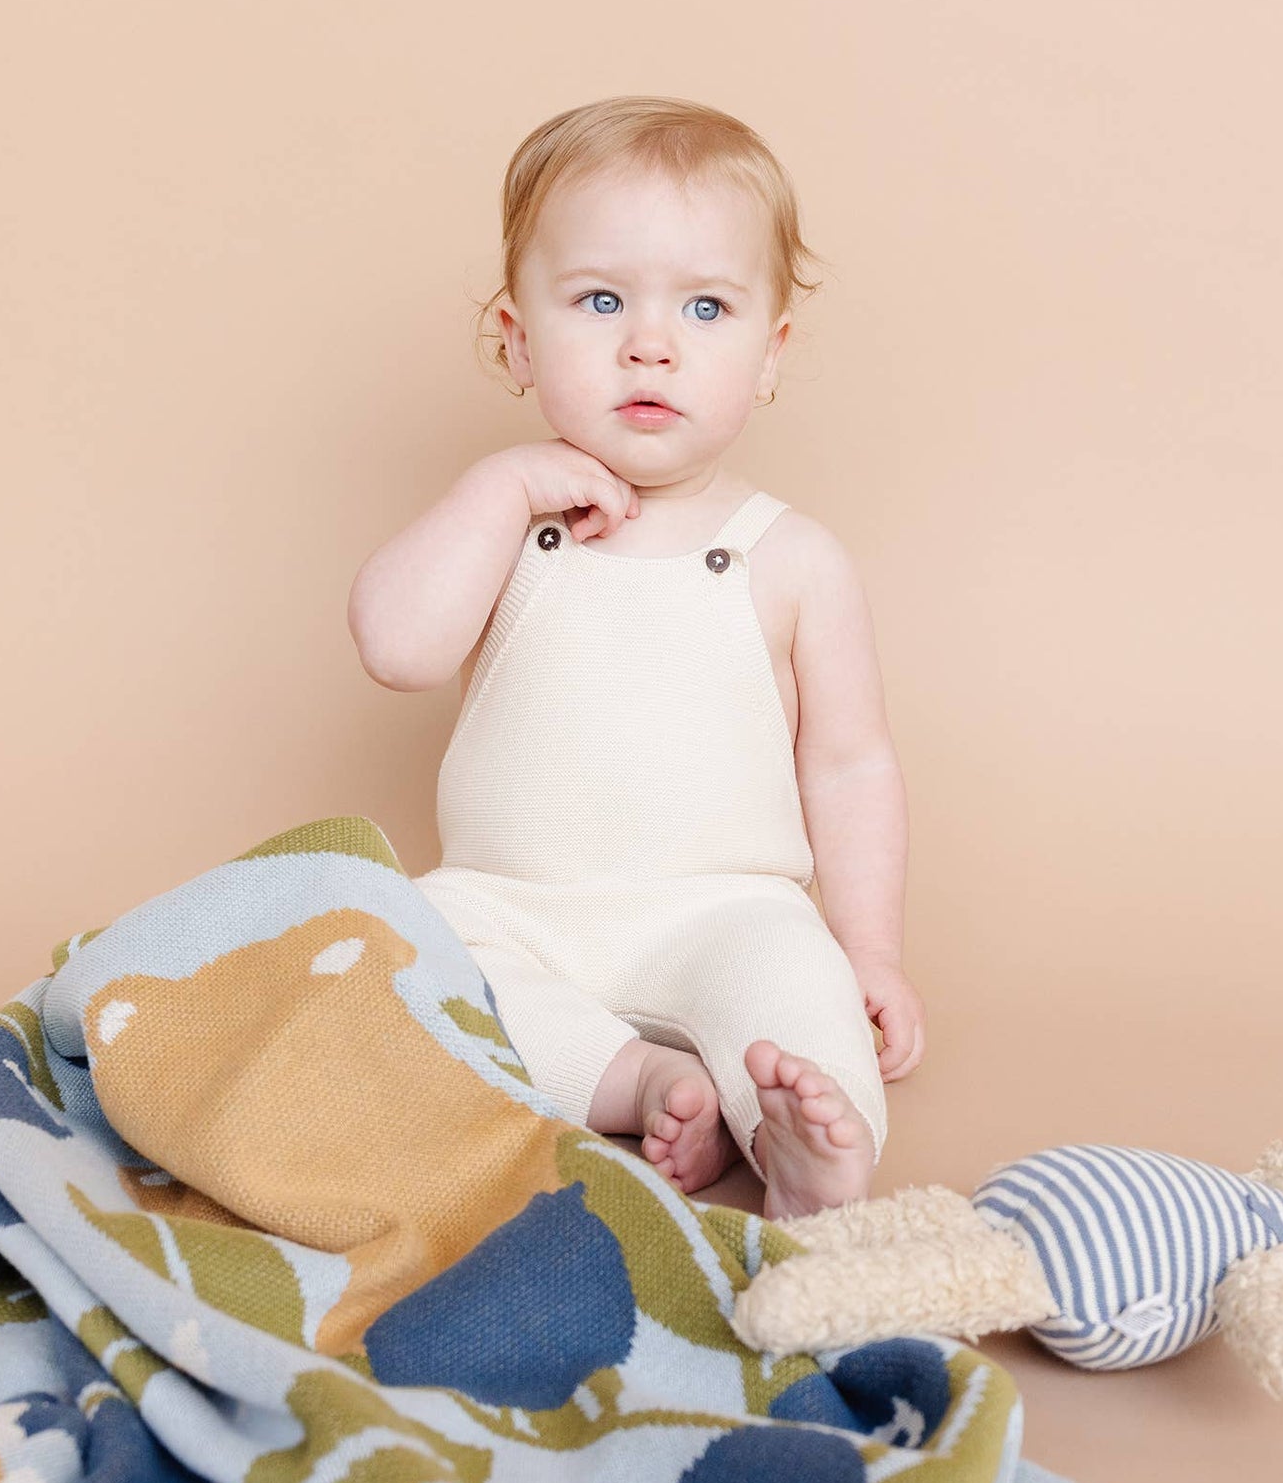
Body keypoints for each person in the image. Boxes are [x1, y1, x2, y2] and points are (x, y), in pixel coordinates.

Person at [347, 96, 925, 1219]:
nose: (648, 342)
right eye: (600, 300)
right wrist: (498, 487)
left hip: (720, 908)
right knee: (395, 966)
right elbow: (396, 647)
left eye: (705, 306)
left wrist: (869, 950)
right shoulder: (505, 526)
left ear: (768, 355)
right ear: (517, 339)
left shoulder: (790, 559)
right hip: (509, 904)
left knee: (800, 997)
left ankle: (802, 1143)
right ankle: (642, 1085)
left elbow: (851, 767)